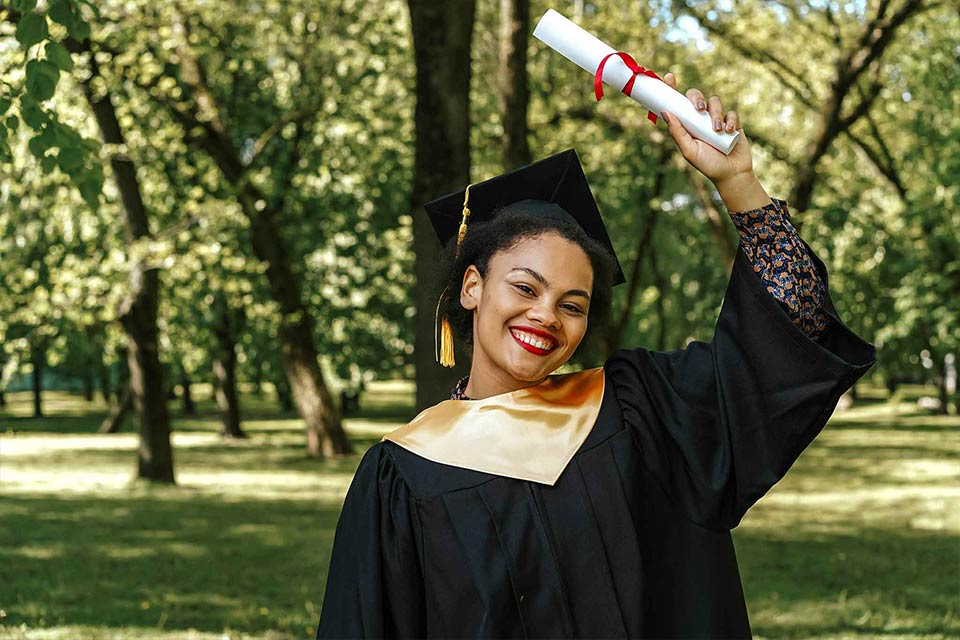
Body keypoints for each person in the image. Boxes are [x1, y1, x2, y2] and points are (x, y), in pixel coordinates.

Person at [315, 73, 876, 639]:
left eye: (573, 304)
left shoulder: (641, 409)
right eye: (525, 289)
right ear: (472, 287)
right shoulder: (402, 474)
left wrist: (739, 183)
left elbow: (791, 323)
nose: (546, 317)